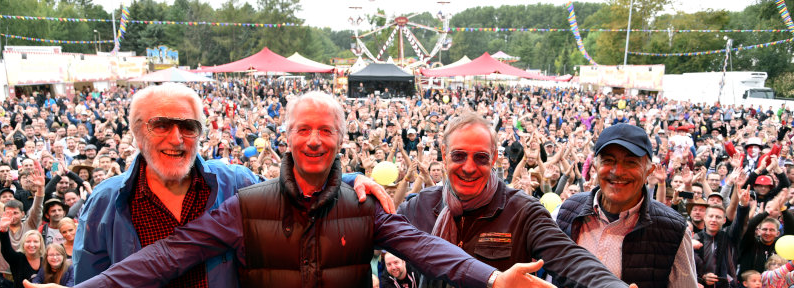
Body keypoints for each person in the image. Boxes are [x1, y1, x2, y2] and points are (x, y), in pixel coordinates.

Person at [32, 91, 553, 288]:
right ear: (286, 137)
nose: (314, 139)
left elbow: (427, 249)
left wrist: (491, 280)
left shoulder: (363, 205)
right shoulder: (246, 203)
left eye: (326, 129)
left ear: (340, 140)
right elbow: (167, 256)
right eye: (303, 128)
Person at [71, 84, 392, 287]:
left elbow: (293, 196)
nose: (176, 138)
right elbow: (90, 279)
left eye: (188, 126)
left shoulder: (235, 182)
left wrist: (349, 180)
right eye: (161, 125)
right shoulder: (106, 202)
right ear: (137, 132)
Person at [397, 112, 630, 287]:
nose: (468, 167)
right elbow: (372, 229)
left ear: (495, 158)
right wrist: (358, 180)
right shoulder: (421, 206)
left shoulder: (522, 211)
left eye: (480, 158)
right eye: (459, 156)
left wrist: (610, 285)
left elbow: (568, 257)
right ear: (444, 155)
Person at [555, 123, 698, 287]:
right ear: (595, 166)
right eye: (608, 160)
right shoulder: (567, 210)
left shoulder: (674, 230)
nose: (617, 171)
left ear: (648, 171)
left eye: (630, 162)